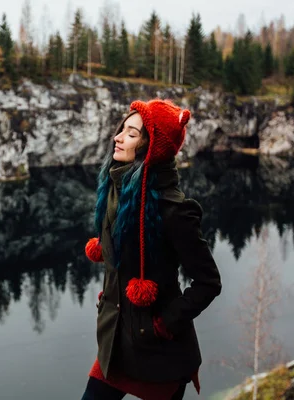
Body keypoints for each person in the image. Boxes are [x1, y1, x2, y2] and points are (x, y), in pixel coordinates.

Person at [81, 99, 222, 400]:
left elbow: (209, 283)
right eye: (122, 130)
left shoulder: (174, 210)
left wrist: (163, 325)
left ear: (151, 147)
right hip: (116, 344)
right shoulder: (114, 189)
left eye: (131, 134)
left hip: (159, 352)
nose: (117, 138)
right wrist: (111, 298)